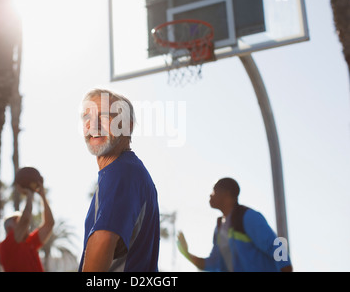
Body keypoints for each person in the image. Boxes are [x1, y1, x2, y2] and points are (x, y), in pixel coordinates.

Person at [78, 88, 160, 272]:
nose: (93, 125)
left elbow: (103, 240)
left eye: (105, 116)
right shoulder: (128, 173)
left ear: (127, 126)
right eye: (86, 117)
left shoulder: (122, 173)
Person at [177, 177, 293, 272]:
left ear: (226, 194)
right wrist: (186, 253)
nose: (210, 195)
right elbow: (212, 264)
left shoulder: (248, 217)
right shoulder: (219, 229)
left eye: (214, 190)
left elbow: (277, 247)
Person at [0, 177, 55, 272]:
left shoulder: (30, 242)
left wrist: (42, 196)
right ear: (9, 228)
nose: (26, 227)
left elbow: (49, 224)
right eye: (18, 222)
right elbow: (25, 220)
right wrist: (29, 195)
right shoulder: (6, 245)